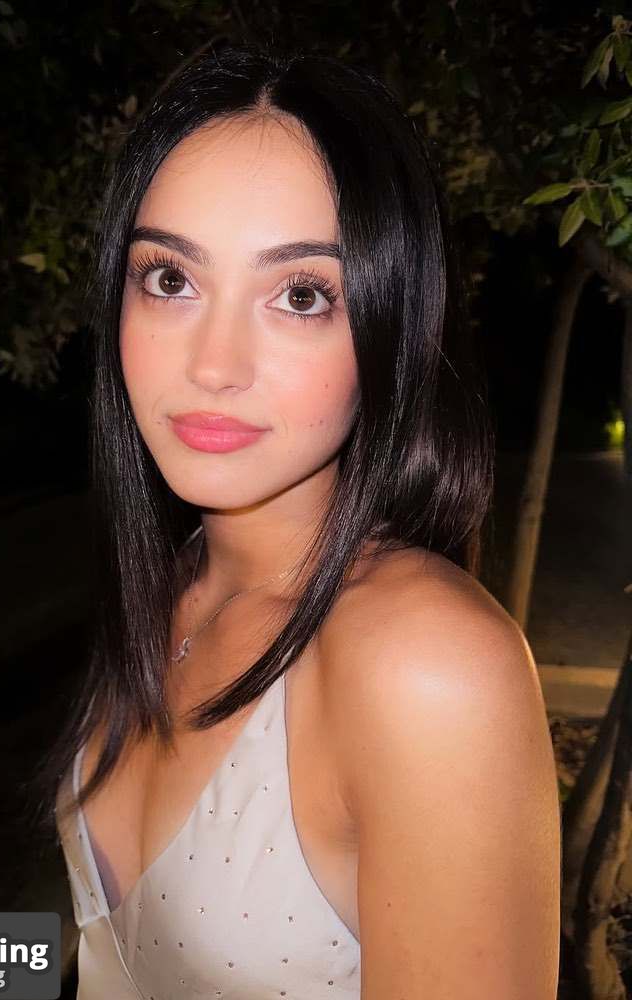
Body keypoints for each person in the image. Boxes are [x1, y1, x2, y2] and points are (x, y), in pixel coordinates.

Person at [42, 41, 562, 1000]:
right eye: (170, 279)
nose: (214, 365)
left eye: (300, 295)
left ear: (391, 329)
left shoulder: (429, 665)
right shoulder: (179, 581)